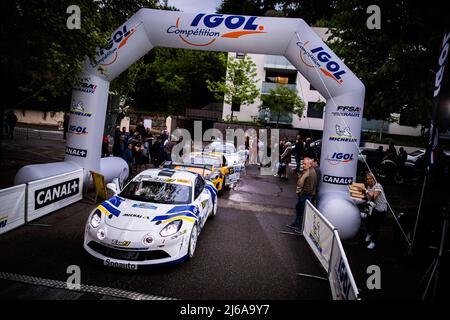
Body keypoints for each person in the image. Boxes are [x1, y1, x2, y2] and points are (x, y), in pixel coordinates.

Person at [287, 157, 318, 232]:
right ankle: (296, 224)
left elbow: (309, 188)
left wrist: (301, 193)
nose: (302, 165)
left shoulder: (311, 173)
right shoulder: (307, 170)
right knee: (299, 209)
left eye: (304, 164)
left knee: (303, 212)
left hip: (305, 196)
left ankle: (301, 228)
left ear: (309, 164)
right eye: (302, 163)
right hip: (302, 195)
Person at [358, 173, 388, 250]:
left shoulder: (378, 186)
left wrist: (365, 190)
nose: (369, 180)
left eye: (370, 178)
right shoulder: (368, 186)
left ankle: (373, 242)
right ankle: (369, 233)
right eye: (367, 179)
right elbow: (368, 198)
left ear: (374, 179)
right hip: (373, 208)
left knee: (376, 226)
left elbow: (373, 197)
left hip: (380, 209)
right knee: (368, 222)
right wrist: (362, 192)